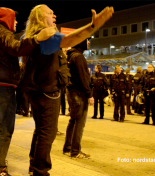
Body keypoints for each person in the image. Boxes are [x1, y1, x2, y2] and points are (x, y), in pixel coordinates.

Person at [20, 5, 114, 176]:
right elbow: (72, 38)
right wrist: (93, 25)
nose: (54, 15)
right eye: (49, 13)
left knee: (41, 131)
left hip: (38, 92)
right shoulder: (47, 36)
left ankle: (34, 165)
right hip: (47, 93)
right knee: (47, 134)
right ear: (40, 19)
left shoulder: (35, 38)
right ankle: (40, 171)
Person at [0, 7, 56, 176]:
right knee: (3, 129)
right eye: (13, 19)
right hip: (1, 87)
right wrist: (37, 38)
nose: (15, 22)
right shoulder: (2, 32)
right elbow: (16, 48)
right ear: (5, 19)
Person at [63, 38, 93, 159]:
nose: (89, 42)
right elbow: (83, 78)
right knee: (79, 122)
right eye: (87, 40)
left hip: (71, 91)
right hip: (79, 94)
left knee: (73, 120)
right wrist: (89, 94)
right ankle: (75, 151)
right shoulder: (79, 57)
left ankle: (68, 148)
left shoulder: (70, 56)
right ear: (81, 42)